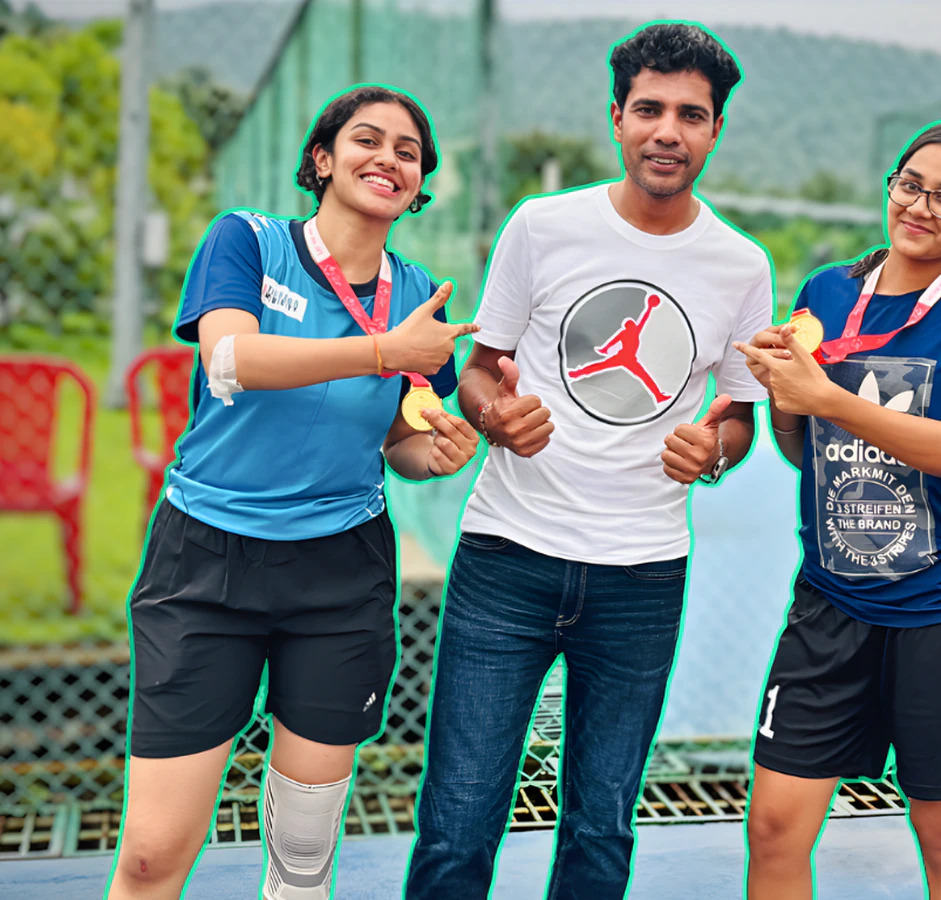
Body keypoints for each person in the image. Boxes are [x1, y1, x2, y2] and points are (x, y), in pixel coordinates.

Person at [404, 23, 772, 900]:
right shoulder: (543, 226)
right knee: (459, 820)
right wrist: (496, 417)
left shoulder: (740, 266)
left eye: (691, 114)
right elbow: (480, 372)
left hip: (642, 577)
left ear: (714, 131)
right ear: (617, 117)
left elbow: (739, 425)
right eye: (649, 109)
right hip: (507, 561)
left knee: (601, 826)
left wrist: (710, 451)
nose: (667, 131)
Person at [106, 85, 480, 900]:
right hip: (205, 560)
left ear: (419, 187)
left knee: (304, 857)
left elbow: (396, 441)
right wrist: (384, 350)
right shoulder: (246, 239)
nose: (386, 157)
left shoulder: (420, 300)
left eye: (407, 152)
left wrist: (434, 451)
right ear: (322, 159)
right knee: (148, 857)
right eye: (366, 139)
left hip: (338, 572)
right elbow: (231, 360)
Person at [735, 121, 941, 900]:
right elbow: (807, 451)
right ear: (890, 187)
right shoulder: (828, 294)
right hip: (832, 605)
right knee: (771, 826)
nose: (923, 207)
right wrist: (784, 393)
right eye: (911, 185)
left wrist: (827, 394)